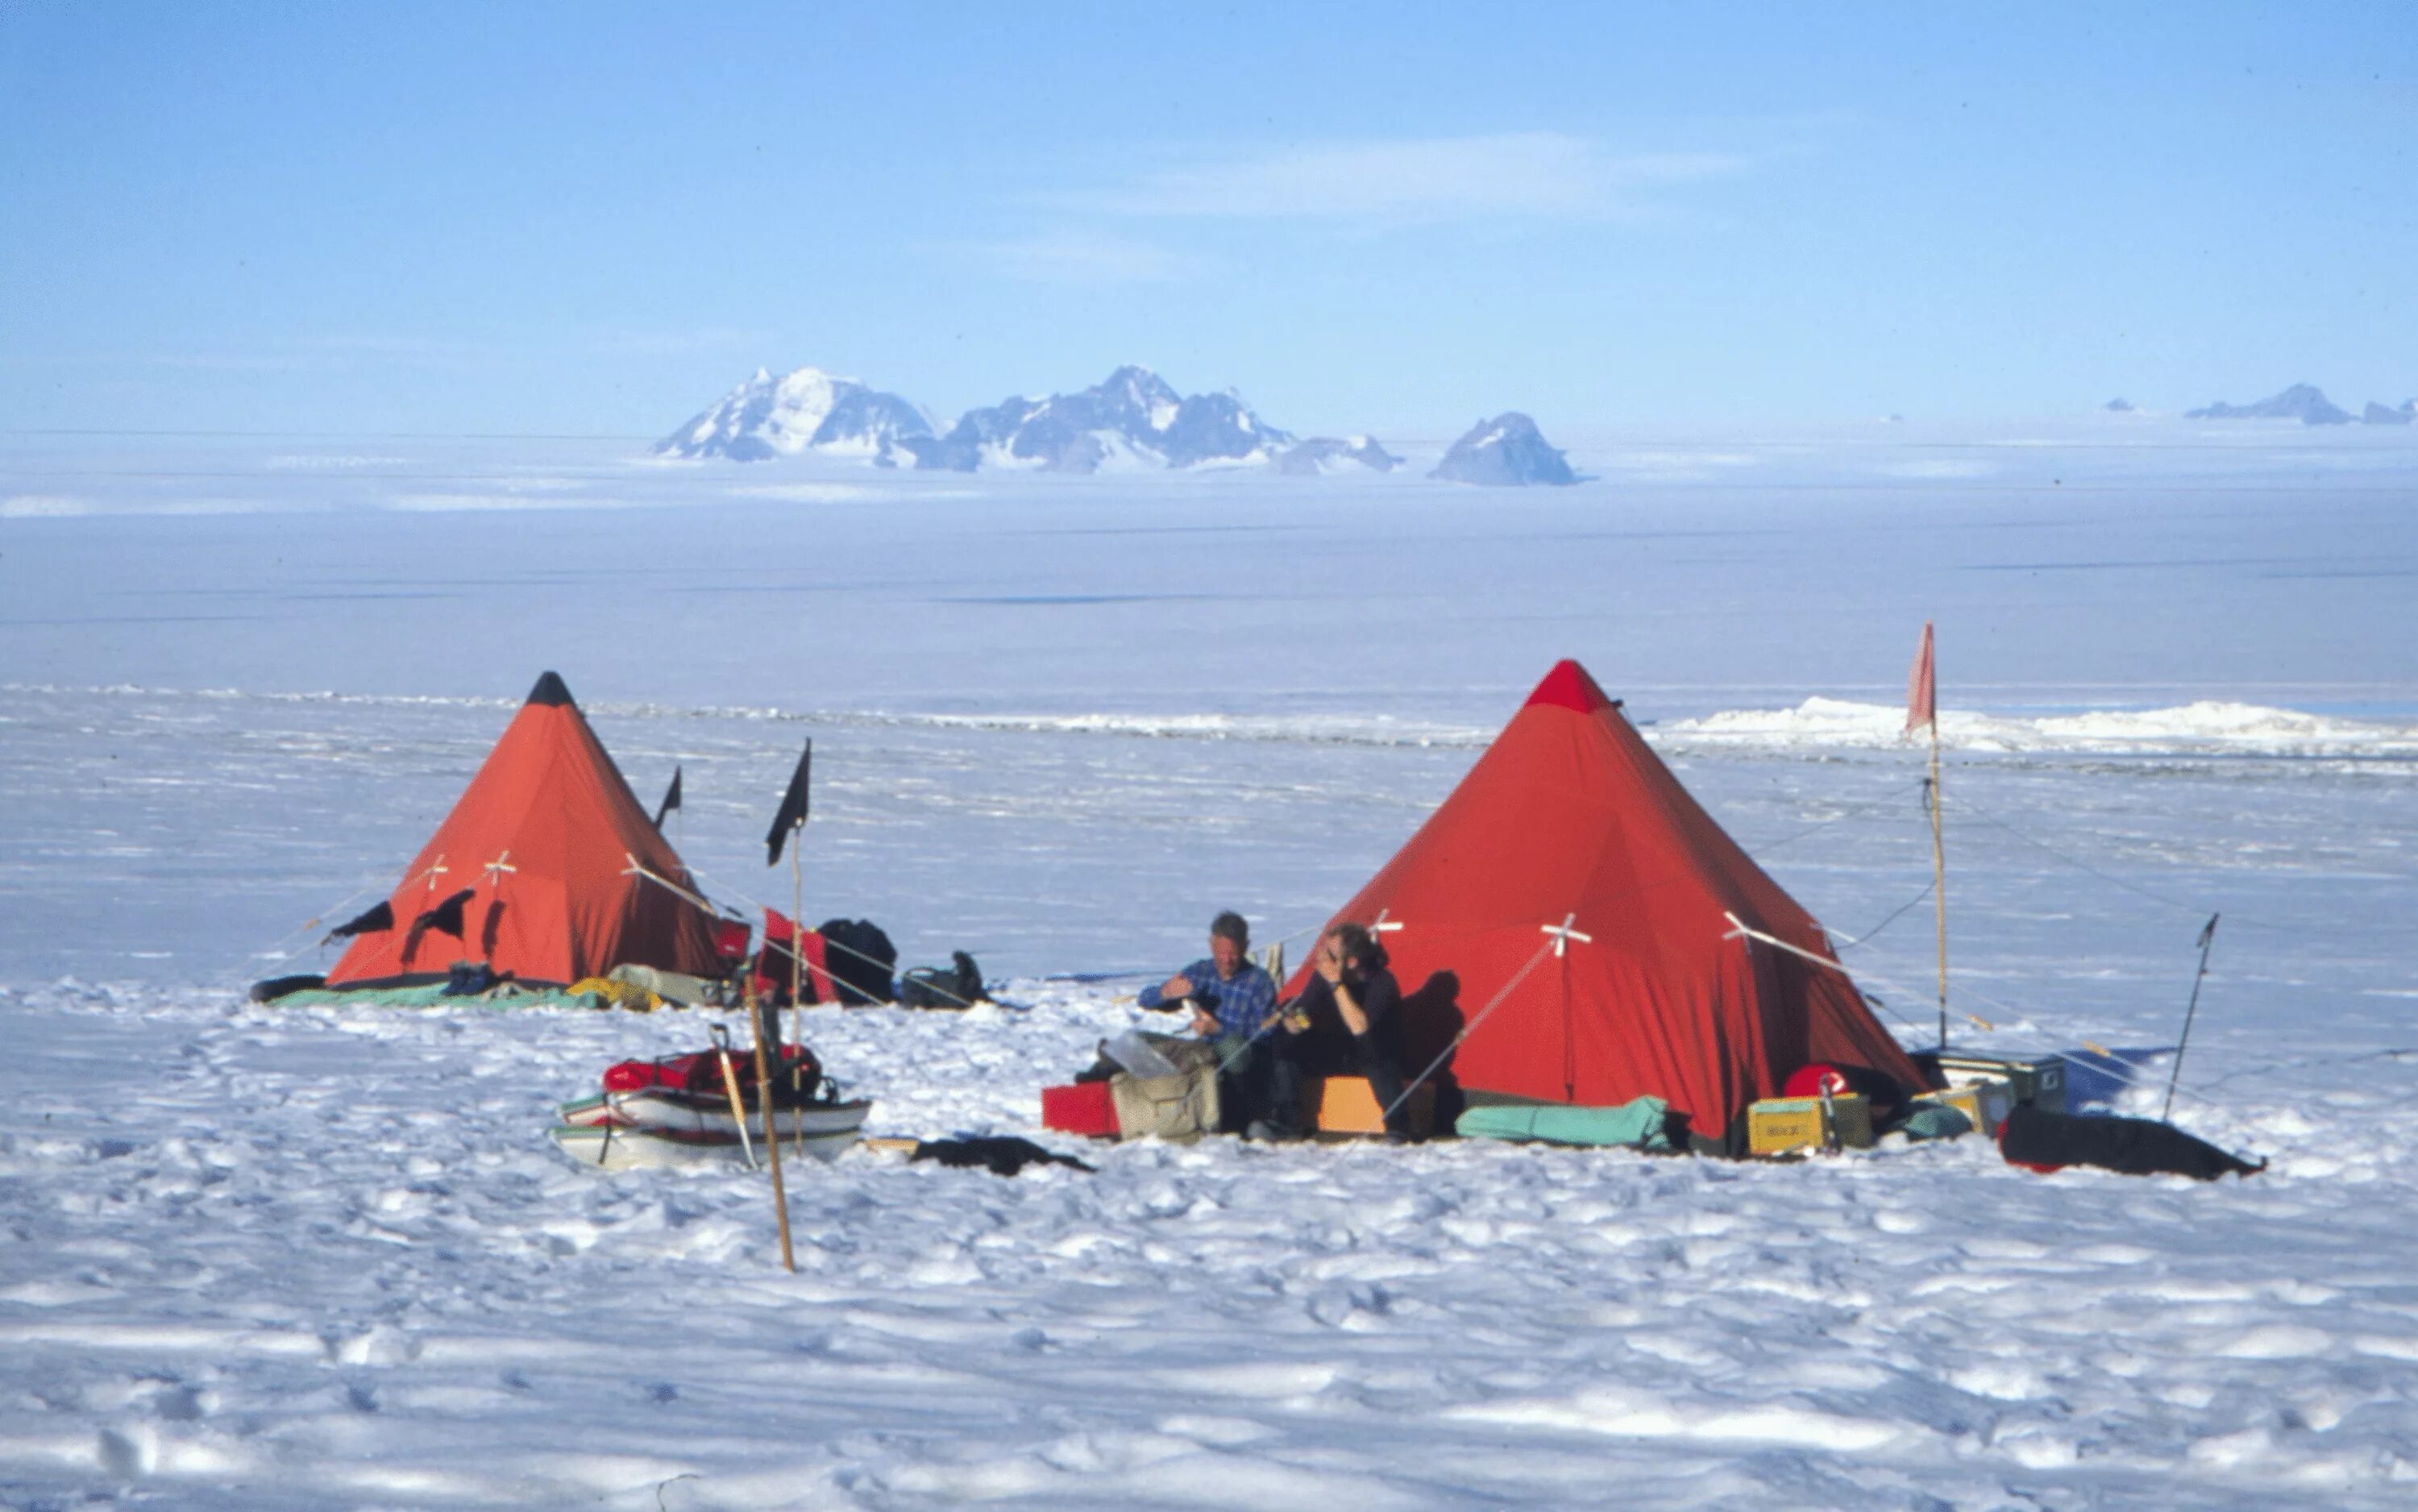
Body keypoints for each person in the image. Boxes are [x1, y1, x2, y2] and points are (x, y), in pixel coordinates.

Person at [1258, 921, 1414, 1141]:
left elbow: (1360, 1027)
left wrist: (1335, 985)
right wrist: (1293, 1023)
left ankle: (1397, 1125)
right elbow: (1305, 1011)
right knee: (1286, 1041)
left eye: (1331, 955)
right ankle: (1287, 1121)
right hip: (1339, 1051)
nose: (1323, 960)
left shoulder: (1382, 982)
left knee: (1375, 1050)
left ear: (1351, 962)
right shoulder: (1326, 974)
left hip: (1376, 1054)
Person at [1136, 911, 1278, 1124]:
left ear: (1246, 947)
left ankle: (1239, 1116)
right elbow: (1145, 1000)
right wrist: (1165, 993)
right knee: (1137, 1040)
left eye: (1234, 953)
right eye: (1221, 952)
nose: (1227, 960)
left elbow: (1267, 1032)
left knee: (1233, 1048)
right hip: (1201, 1050)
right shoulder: (1202, 972)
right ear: (1211, 945)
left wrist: (1219, 1029)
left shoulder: (1259, 982)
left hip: (1239, 1060)